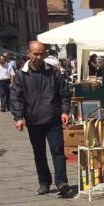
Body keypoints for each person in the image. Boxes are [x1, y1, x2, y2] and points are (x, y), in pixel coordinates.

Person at [10, 41, 72, 196]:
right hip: (33, 119)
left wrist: (65, 111)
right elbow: (15, 97)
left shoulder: (54, 72)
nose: (38, 57)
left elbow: (64, 94)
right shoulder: (21, 75)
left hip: (53, 117)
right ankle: (44, 182)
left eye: (41, 53)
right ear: (29, 54)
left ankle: (61, 182)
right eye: (35, 54)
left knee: (57, 151)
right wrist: (18, 117)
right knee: (39, 153)